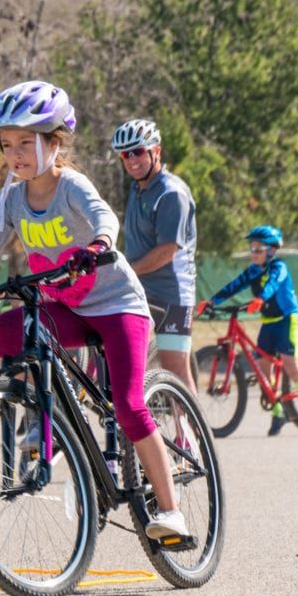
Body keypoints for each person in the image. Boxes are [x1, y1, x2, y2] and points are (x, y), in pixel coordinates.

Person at [0, 80, 189, 540]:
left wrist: (98, 245)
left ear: (53, 142)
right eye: (6, 145)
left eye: (24, 144)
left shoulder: (70, 185)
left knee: (130, 406)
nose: (14, 155)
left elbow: (104, 217)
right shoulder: (12, 196)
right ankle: (47, 415)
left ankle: (171, 511)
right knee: (11, 329)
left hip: (118, 307)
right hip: (68, 308)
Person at [196, 225, 298, 435]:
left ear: (271, 250)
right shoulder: (254, 270)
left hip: (287, 319)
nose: (253, 252)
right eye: (252, 248)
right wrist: (212, 301)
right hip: (269, 321)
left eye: (258, 248)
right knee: (264, 367)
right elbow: (235, 285)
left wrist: (260, 299)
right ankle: (278, 412)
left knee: (290, 365)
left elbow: (273, 284)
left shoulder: (279, 267)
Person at [111, 119, 198, 395]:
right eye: (125, 155)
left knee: (176, 370)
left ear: (155, 151)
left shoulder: (171, 193)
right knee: (134, 364)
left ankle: (197, 436)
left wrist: (128, 270)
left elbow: (167, 251)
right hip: (140, 293)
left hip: (172, 295)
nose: (132, 160)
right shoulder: (137, 190)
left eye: (137, 151)